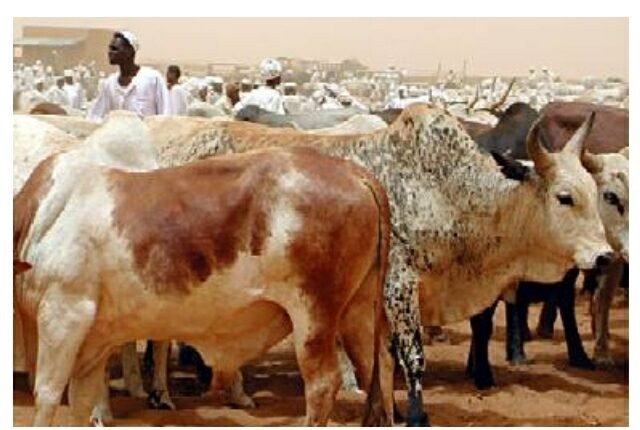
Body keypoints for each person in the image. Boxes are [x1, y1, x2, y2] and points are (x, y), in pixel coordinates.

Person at [88, 31, 170, 121]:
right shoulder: (109, 84)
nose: (110, 52)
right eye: (110, 49)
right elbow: (96, 115)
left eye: (115, 49)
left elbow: (165, 113)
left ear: (129, 52)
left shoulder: (152, 78)